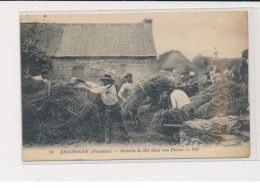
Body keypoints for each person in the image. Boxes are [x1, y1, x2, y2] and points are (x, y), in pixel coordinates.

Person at [76, 74, 129, 143]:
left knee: (120, 123)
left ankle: (127, 137)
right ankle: (107, 140)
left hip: (116, 107)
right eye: (104, 80)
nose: (104, 82)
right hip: (108, 107)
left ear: (109, 81)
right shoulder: (103, 87)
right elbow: (93, 85)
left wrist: (87, 88)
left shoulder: (110, 86)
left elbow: (98, 91)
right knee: (107, 124)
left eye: (106, 81)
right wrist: (82, 81)